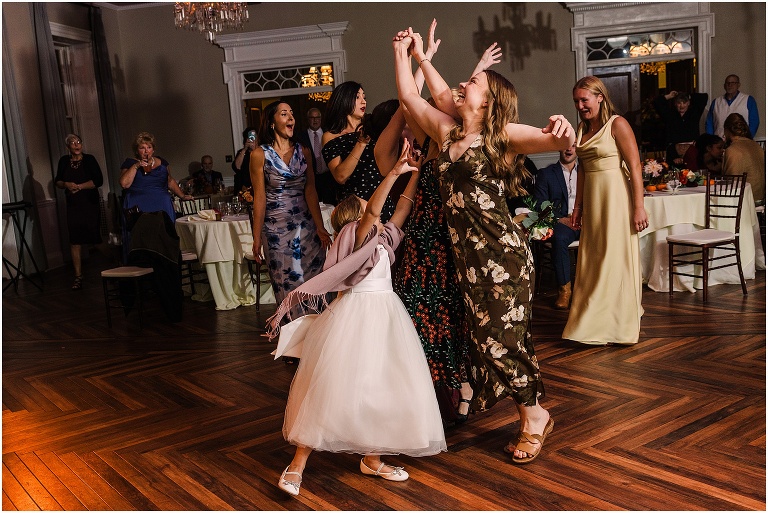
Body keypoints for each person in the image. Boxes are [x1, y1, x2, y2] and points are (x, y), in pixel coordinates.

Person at [394, 24, 575, 464]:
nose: (463, 84)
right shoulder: (448, 133)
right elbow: (411, 98)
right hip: (469, 263)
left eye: (473, 82)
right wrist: (404, 53)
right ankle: (531, 412)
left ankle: (535, 416)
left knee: (501, 342)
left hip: (504, 257)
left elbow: (558, 140)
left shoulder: (502, 136)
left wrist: (565, 129)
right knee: (491, 340)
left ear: (490, 101)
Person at [267, 140, 445, 497]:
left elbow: (403, 207)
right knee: (332, 390)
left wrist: (416, 171)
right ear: (354, 216)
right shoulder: (357, 234)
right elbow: (374, 210)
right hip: (356, 318)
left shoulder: (383, 238)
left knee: (382, 387)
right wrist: (393, 172)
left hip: (387, 317)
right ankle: (297, 464)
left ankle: (372, 458)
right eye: (365, 204)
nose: (373, 206)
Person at [386, 21, 503, 425]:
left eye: (463, 91)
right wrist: (404, 55)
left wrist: (472, 68)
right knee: (416, 313)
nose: (454, 96)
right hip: (423, 238)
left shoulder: (462, 138)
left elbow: (466, 105)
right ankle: (417, 391)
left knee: (454, 317)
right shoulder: (438, 133)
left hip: (456, 241)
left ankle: (461, 384)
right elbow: (410, 98)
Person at [563, 76, 648, 346]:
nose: (580, 106)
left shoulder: (617, 124)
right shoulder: (582, 128)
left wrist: (639, 207)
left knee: (613, 257)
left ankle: (612, 323)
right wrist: (577, 207)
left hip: (616, 199)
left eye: (584, 100)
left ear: (600, 97)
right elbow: (583, 170)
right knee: (594, 257)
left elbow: (635, 166)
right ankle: (595, 319)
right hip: (594, 201)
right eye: (576, 101)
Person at [249, 100, 332, 345]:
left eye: (292, 113)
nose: (291, 117)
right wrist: (256, 238)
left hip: (305, 227)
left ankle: (318, 337)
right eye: (284, 113)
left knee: (313, 280)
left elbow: (311, 191)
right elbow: (259, 198)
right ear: (272, 121)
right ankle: (293, 342)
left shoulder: (303, 151)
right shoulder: (259, 155)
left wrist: (320, 226)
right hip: (275, 231)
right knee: (286, 283)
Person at [322, 81, 395, 222]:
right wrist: (361, 143)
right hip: (353, 209)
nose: (363, 101)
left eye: (364, 97)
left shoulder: (374, 125)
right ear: (344, 99)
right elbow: (341, 176)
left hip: (381, 200)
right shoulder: (330, 136)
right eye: (357, 97)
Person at [120, 132, 192, 262]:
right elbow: (125, 184)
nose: (146, 151)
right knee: (143, 239)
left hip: (162, 205)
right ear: (137, 150)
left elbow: (170, 181)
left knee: (165, 236)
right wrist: (137, 166)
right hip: (139, 206)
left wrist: (182, 195)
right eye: (142, 148)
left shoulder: (162, 162)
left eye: (149, 147)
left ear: (153, 149)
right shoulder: (129, 163)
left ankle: (167, 264)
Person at [54, 134, 104, 290]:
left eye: (78, 142)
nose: (76, 145)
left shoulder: (89, 159)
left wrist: (79, 186)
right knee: (75, 240)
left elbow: (98, 181)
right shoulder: (64, 161)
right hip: (73, 205)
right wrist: (66, 184)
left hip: (90, 203)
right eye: (72, 143)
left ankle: (116, 263)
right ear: (67, 147)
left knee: (95, 239)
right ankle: (78, 276)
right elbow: (58, 181)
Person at [533, 142, 580, 310]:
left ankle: (594, 289)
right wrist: (560, 219)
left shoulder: (587, 172)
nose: (569, 149)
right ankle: (564, 290)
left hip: (586, 222)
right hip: (562, 223)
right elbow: (540, 204)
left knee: (605, 235)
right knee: (559, 237)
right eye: (566, 145)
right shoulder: (546, 174)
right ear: (559, 147)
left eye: (573, 145)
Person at [652, 90, 708, 166]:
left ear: (688, 103)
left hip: (691, 150)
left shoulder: (694, 113)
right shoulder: (669, 114)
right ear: (675, 104)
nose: (682, 106)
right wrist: (669, 96)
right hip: (673, 151)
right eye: (679, 103)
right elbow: (657, 102)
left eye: (684, 102)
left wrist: (687, 95)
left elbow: (704, 97)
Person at [296, 107, 338, 205]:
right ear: (308, 119)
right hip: (311, 178)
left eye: (317, 117)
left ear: (321, 118)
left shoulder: (329, 134)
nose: (315, 120)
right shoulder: (301, 136)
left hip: (328, 177)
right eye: (312, 118)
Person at [722, 113, 765, 204]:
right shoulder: (757, 146)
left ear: (726, 130)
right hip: (761, 198)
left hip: (744, 201)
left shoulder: (732, 150)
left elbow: (731, 183)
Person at [706, 75, 760, 139]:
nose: (730, 85)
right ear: (724, 86)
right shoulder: (716, 102)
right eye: (727, 83)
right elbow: (709, 123)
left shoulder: (748, 100)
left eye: (733, 83)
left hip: (740, 142)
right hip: (719, 141)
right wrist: (712, 140)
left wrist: (747, 139)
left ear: (738, 85)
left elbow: (754, 122)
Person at [233, 126, 257, 194]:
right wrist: (245, 149)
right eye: (250, 137)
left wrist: (255, 148)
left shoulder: (263, 152)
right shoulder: (242, 152)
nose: (252, 139)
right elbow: (237, 167)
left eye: (254, 136)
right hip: (243, 190)